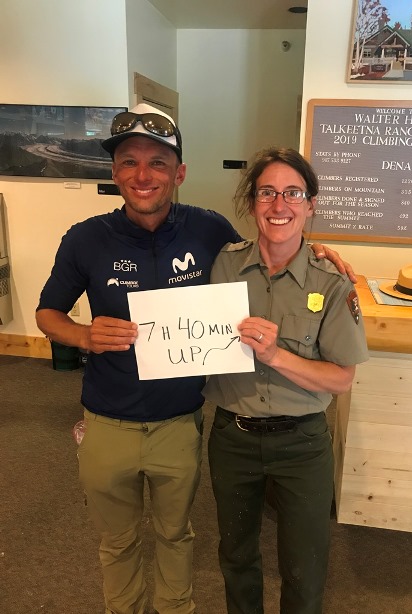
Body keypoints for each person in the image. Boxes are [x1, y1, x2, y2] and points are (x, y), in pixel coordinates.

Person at [35, 104, 356, 614]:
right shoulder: (85, 238)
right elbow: (47, 314)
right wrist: (82, 335)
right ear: (114, 171)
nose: (144, 175)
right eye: (130, 162)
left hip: (181, 421)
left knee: (177, 536)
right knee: (115, 543)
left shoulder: (208, 232)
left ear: (179, 173)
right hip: (106, 418)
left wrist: (321, 254)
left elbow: (270, 247)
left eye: (158, 163)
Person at [204, 147, 369, 614]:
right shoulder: (221, 266)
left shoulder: (331, 282)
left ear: (310, 203)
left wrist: (276, 355)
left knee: (304, 565)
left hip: (302, 444)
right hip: (232, 438)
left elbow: (341, 378)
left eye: (293, 193)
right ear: (252, 202)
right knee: (236, 555)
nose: (280, 205)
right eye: (267, 193)